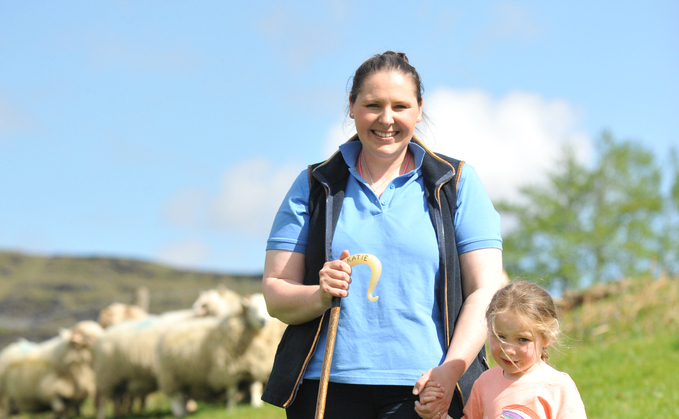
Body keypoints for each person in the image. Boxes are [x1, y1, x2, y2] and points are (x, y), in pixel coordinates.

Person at [261, 51, 504, 419]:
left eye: (400, 106)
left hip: (427, 388)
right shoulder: (315, 185)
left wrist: (450, 371)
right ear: (352, 107)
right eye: (373, 105)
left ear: (419, 109)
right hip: (325, 388)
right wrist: (319, 294)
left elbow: (485, 291)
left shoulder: (457, 183)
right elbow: (275, 294)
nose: (386, 119)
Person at [419, 281, 588, 419]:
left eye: (523, 339)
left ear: (547, 337)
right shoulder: (484, 382)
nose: (508, 350)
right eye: (500, 337)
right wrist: (437, 414)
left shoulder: (558, 386)